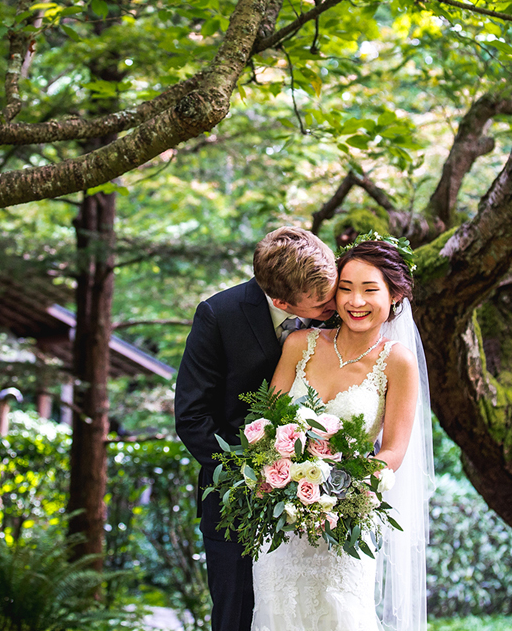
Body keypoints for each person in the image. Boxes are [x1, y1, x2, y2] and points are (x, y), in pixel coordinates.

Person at [251, 237, 433, 631]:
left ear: (395, 294)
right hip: (281, 527)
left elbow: (394, 450)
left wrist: (338, 492)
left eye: (370, 290)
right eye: (346, 289)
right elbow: (268, 425)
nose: (355, 301)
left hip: (343, 526)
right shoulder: (299, 344)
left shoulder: (397, 362)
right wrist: (278, 477)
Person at [175, 228, 339, 631]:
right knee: (235, 618)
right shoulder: (218, 315)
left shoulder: (341, 314)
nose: (337, 304)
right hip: (235, 505)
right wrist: (257, 473)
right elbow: (193, 416)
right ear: (283, 301)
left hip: (321, 506)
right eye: (322, 303)